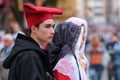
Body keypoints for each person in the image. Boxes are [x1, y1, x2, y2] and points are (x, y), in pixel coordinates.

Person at [3, 3, 63, 80]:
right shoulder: (30, 56)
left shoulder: (31, 53)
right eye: (47, 26)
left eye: (53, 27)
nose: (52, 31)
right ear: (34, 29)